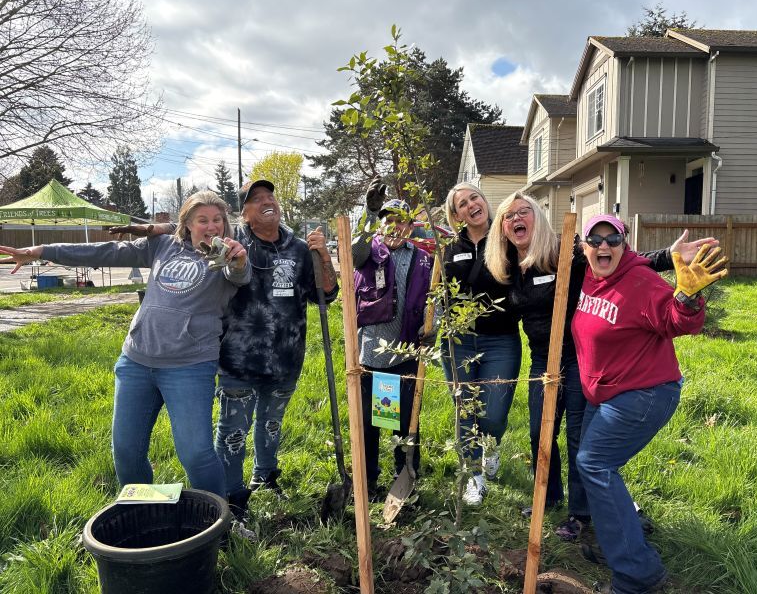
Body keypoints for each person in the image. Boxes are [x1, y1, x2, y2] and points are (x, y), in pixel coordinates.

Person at [485, 192, 715, 540]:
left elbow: (619, 261)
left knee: (578, 436)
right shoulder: (505, 269)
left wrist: (669, 257)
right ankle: (547, 497)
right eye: (508, 215)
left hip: (578, 359)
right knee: (538, 432)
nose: (516, 218)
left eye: (524, 211)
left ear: (537, 218)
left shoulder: (567, 256)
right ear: (502, 227)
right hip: (541, 362)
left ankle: (580, 513)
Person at [110, 179, 338, 520]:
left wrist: (322, 255)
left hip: (285, 357)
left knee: (271, 426)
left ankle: (266, 477)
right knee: (232, 433)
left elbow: (326, 293)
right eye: (255, 199)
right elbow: (195, 226)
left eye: (269, 196)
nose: (266, 202)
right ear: (243, 214)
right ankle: (231, 498)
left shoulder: (299, 248)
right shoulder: (230, 243)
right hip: (236, 358)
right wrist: (155, 226)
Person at [0, 191, 250, 499]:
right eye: (202, 220)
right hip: (136, 363)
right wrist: (41, 251)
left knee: (196, 455)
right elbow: (104, 252)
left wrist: (238, 261)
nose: (211, 226)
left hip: (189, 366)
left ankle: (217, 527)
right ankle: (149, 515)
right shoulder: (162, 246)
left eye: (217, 220)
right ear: (187, 223)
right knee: (127, 454)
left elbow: (239, 273)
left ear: (225, 224)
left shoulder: (228, 254)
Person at [573, 214, 726, 594]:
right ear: (585, 245)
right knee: (597, 467)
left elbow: (677, 320)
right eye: (596, 239)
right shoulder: (589, 277)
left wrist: (688, 295)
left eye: (613, 239)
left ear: (625, 244)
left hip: (644, 393)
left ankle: (636, 575)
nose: (604, 246)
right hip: (607, 393)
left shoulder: (641, 282)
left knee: (594, 464)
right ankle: (622, 543)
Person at [440, 182, 521, 506]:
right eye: (463, 203)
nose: (471, 204)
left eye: (474, 197)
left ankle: (492, 444)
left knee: (493, 414)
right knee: (464, 411)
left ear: (484, 201)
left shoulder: (505, 241)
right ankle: (474, 477)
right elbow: (441, 292)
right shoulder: (449, 247)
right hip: (458, 341)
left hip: (501, 339)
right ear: (456, 214)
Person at [352, 180, 433, 501]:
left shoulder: (423, 259)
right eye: (387, 221)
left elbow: (434, 298)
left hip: (407, 356)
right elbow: (353, 248)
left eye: (400, 221)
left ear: (410, 226)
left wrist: (433, 326)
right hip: (370, 356)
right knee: (368, 426)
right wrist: (369, 212)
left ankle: (406, 478)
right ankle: (368, 481)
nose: (393, 227)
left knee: (405, 425)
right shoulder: (369, 253)